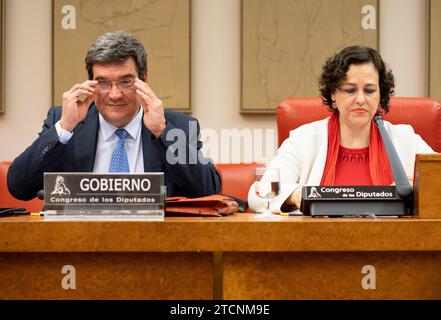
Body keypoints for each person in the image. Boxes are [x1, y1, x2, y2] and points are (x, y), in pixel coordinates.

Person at [8, 31, 221, 200]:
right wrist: (64, 128)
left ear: (144, 80)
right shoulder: (64, 122)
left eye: (125, 81)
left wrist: (162, 132)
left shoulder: (177, 127)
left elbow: (209, 190)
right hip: (79, 246)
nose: (115, 94)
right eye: (103, 83)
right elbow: (19, 187)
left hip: (155, 247)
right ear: (90, 84)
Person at [248, 45, 434, 213]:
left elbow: (437, 185)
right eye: (350, 90)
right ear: (333, 94)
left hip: (394, 244)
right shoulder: (303, 139)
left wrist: (417, 187)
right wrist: (297, 194)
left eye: (369, 90)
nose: (361, 99)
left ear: (381, 95)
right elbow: (258, 195)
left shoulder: (405, 138)